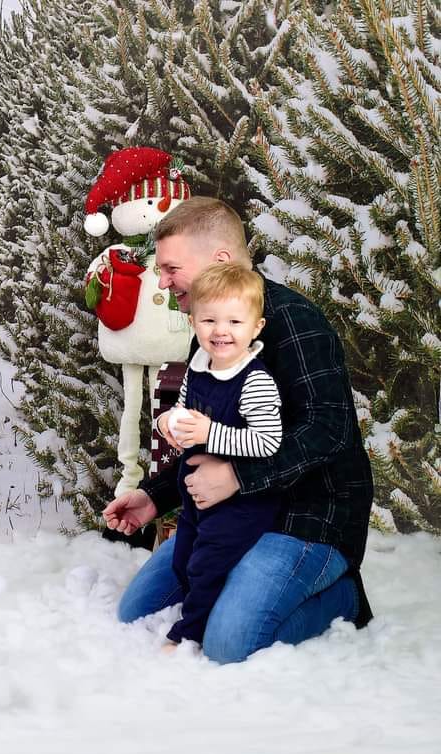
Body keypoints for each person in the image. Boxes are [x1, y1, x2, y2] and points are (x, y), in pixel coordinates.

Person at [102, 196, 373, 663]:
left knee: (229, 643)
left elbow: (327, 431)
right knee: (136, 611)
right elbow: (206, 436)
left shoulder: (296, 322)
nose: (162, 283)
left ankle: (344, 597)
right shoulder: (209, 332)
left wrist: (238, 479)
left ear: (220, 260)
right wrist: (155, 496)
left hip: (306, 517)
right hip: (227, 514)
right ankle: (236, 573)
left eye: (170, 268)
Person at [157, 263, 282, 648]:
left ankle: (188, 634)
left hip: (239, 503)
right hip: (197, 497)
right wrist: (170, 423)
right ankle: (201, 604)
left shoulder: (255, 380)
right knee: (183, 560)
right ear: (194, 321)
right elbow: (182, 407)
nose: (221, 331)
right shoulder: (197, 367)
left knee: (206, 564)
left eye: (234, 321)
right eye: (209, 320)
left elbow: (267, 441)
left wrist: (211, 433)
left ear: (256, 327)